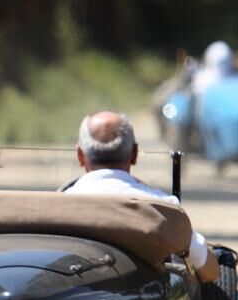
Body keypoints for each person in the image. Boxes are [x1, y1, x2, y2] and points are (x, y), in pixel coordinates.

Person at [63, 110, 220, 282]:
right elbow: (209, 271)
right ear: (135, 153)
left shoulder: (60, 205)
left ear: (79, 155)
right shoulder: (162, 207)